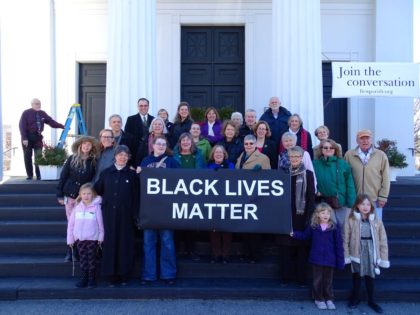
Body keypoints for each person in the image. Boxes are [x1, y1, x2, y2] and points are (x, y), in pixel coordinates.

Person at [137, 136, 180, 285]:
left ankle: (168, 274)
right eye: (158, 144)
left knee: (167, 241)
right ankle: (149, 274)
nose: (161, 146)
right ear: (153, 145)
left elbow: (180, 181)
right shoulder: (145, 161)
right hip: (149, 208)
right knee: (149, 242)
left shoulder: (172, 162)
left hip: (167, 208)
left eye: (163, 144)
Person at [94, 145, 139, 286]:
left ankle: (124, 274)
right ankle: (111, 275)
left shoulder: (132, 175)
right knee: (110, 243)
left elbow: (136, 196)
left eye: (126, 155)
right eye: (120, 155)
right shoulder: (106, 172)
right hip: (109, 215)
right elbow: (98, 189)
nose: (123, 157)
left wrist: (135, 214)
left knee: (125, 244)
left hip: (126, 215)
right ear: (115, 156)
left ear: (128, 158)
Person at [291, 203, 344, 310]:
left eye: (328, 213)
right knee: (318, 280)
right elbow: (305, 236)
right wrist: (294, 234)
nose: (326, 215)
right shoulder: (313, 227)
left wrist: (340, 261)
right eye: (322, 212)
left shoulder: (334, 228)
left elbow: (339, 245)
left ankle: (329, 298)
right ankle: (318, 299)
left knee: (328, 281)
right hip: (317, 259)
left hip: (330, 259)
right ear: (317, 215)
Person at [344, 194, 390, 314]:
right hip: (357, 250)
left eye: (368, 204)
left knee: (370, 277)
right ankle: (355, 298)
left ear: (371, 206)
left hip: (371, 250)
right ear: (357, 205)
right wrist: (347, 255)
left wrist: (383, 257)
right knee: (357, 276)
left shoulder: (376, 220)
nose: (365, 207)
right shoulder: (351, 219)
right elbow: (345, 238)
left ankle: (371, 300)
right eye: (362, 204)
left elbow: (383, 239)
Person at [57, 136, 99, 262]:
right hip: (70, 195)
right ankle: (70, 251)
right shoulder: (71, 158)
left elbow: (93, 179)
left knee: (83, 224)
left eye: (89, 145)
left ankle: (81, 251)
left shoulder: (93, 161)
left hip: (84, 198)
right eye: (84, 144)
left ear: (91, 147)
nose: (86, 146)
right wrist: (59, 194)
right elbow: (63, 176)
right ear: (80, 145)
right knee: (72, 224)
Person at [277, 146, 315, 285]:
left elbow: (311, 197)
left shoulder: (308, 174)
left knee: (301, 248)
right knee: (285, 248)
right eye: (292, 157)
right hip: (284, 214)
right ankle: (285, 277)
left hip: (301, 214)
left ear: (301, 158)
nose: (294, 159)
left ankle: (301, 278)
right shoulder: (282, 173)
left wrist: (309, 216)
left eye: (297, 157)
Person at [236, 135, 270, 263]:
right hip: (243, 196)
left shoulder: (263, 158)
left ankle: (255, 255)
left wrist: (261, 173)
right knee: (244, 227)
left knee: (255, 229)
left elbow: (269, 178)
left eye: (251, 144)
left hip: (257, 197)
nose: (248, 146)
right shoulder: (241, 156)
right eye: (246, 144)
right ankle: (246, 253)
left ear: (255, 145)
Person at [344, 130, 390, 220]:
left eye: (367, 138)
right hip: (355, 199)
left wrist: (383, 197)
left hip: (374, 199)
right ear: (357, 140)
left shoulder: (381, 155)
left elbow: (386, 178)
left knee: (375, 227)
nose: (365, 141)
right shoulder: (349, 155)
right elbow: (344, 177)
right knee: (355, 228)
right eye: (362, 138)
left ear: (371, 140)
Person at [172, 132, 205, 260]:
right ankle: (177, 251)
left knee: (191, 223)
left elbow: (202, 173)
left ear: (192, 142)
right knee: (177, 223)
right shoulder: (174, 156)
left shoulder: (198, 156)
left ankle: (192, 250)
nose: (185, 142)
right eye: (183, 140)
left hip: (193, 194)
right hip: (178, 193)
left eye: (188, 140)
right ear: (179, 143)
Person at [66, 183, 104, 288]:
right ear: (80, 195)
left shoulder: (96, 208)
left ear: (93, 195)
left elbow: (101, 224)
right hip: (80, 239)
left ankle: (92, 279)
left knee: (91, 259)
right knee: (83, 259)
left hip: (92, 239)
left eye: (89, 193)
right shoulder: (77, 208)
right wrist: (70, 239)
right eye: (84, 194)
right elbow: (71, 225)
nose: (86, 196)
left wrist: (101, 237)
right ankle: (84, 278)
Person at [313, 139, 356, 231]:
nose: (328, 149)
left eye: (331, 147)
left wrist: (351, 203)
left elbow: (350, 185)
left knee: (342, 230)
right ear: (321, 149)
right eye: (326, 147)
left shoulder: (343, 164)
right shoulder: (315, 164)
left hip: (340, 203)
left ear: (335, 150)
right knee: (326, 230)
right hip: (323, 204)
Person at [19, 98, 65, 180]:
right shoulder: (26, 113)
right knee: (27, 156)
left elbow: (51, 122)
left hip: (38, 137)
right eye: (36, 103)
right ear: (32, 104)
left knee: (38, 156)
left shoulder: (42, 113)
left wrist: (62, 126)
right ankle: (29, 175)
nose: (38, 105)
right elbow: (22, 126)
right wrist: (24, 138)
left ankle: (39, 175)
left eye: (39, 103)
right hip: (28, 137)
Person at [207, 145, 235, 263]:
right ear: (213, 155)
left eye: (221, 153)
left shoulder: (230, 165)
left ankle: (225, 255)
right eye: (216, 153)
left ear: (224, 155)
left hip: (227, 201)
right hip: (212, 202)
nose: (218, 154)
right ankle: (215, 254)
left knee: (227, 229)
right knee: (214, 229)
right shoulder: (207, 166)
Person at [125, 98, 155, 166]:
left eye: (145, 105)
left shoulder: (153, 119)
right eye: (141, 106)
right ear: (138, 107)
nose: (143, 107)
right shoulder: (131, 119)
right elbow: (127, 136)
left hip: (150, 152)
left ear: (148, 106)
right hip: (135, 152)